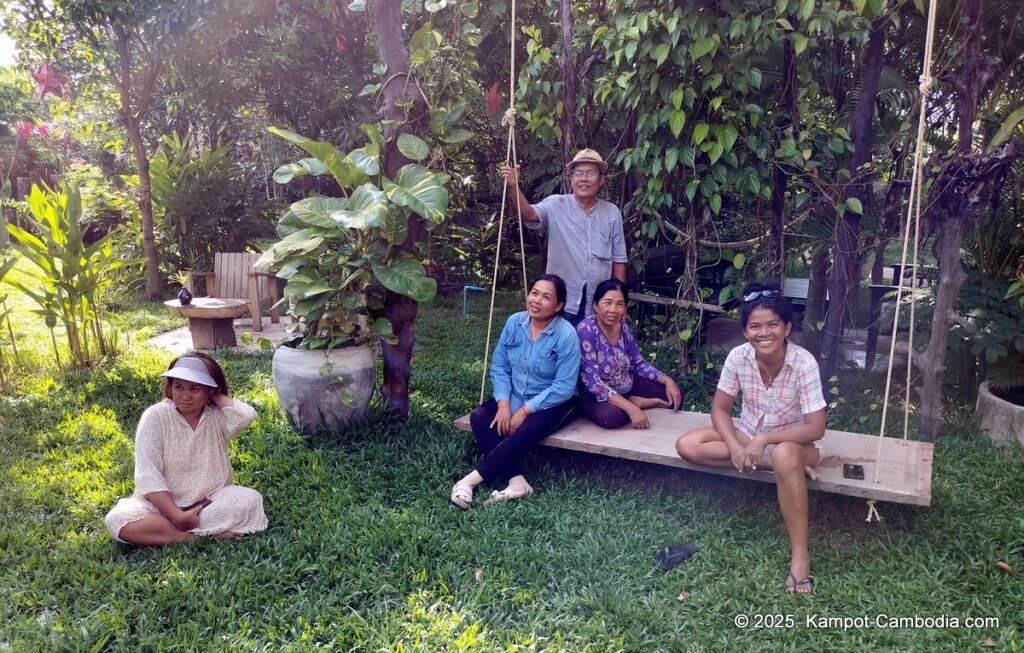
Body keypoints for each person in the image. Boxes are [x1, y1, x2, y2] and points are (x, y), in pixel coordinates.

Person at [674, 281, 826, 594]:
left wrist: (763, 440)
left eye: (772, 325)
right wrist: (735, 446)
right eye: (755, 326)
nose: (764, 333)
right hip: (751, 432)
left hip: (798, 443)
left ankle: (800, 556)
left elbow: (816, 427)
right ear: (745, 331)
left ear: (786, 328)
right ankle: (777, 467)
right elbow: (719, 409)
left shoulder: (803, 363)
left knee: (785, 453)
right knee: (686, 445)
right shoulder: (739, 357)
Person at [104, 353, 268, 546]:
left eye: (195, 389)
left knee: (250, 500)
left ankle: (163, 532)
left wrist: (215, 394)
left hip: (208, 502)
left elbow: (246, 415)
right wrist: (176, 515)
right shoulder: (155, 416)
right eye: (178, 387)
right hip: (160, 506)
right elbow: (148, 475)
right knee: (117, 519)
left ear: (210, 391)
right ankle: (195, 537)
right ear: (170, 387)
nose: (185, 396)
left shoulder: (216, 417)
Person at [451, 274, 581, 508]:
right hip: (516, 395)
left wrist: (524, 411)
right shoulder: (515, 322)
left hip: (554, 401)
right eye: (534, 293)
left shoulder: (566, 334)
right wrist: (503, 404)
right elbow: (499, 366)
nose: (537, 300)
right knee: (480, 417)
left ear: (558, 305)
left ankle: (469, 481)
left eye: (546, 297)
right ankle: (518, 482)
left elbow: (564, 386)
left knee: (526, 429)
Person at [501, 149, 628, 325]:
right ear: (571, 178)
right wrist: (513, 187)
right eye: (578, 173)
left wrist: (619, 301)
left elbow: (619, 260)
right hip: (561, 299)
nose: (584, 179)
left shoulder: (612, 212)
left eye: (591, 174)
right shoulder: (556, 204)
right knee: (557, 347)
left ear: (601, 180)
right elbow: (529, 215)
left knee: (593, 349)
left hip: (599, 302)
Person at [577, 278, 682, 429]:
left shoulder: (623, 328)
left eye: (619, 304)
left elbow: (637, 363)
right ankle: (636, 403)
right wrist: (630, 408)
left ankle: (636, 402)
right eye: (607, 303)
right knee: (612, 417)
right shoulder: (585, 331)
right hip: (597, 395)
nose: (613, 309)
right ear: (595, 305)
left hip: (627, 384)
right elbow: (591, 381)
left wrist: (667, 380)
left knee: (675, 394)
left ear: (625, 308)